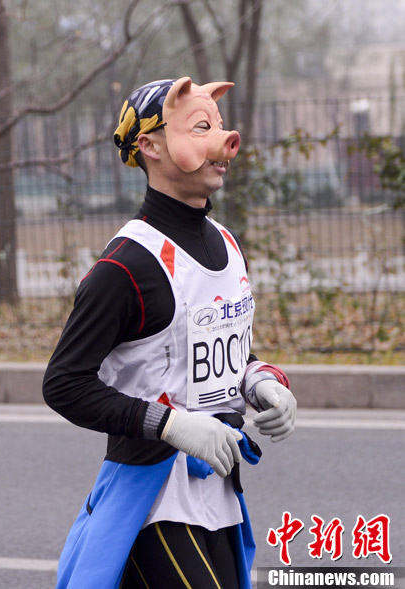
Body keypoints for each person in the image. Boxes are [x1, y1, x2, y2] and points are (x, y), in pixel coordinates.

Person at [43, 78, 297, 588]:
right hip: (152, 502)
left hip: (220, 491)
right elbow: (64, 383)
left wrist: (261, 381)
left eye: (220, 126)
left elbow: (221, 353)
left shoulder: (227, 243)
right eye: (201, 127)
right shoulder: (125, 265)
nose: (222, 141)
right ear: (150, 146)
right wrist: (171, 425)